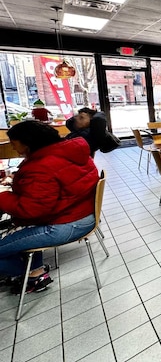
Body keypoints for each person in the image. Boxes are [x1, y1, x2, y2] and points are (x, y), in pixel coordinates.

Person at [0, 120, 99, 293]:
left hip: (64, 225)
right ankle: (32, 271)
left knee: (18, 228)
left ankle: (32, 274)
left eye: (15, 144)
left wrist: (2, 195)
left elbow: (31, 210)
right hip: (82, 215)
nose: (14, 149)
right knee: (18, 229)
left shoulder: (42, 165)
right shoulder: (72, 152)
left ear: (29, 143)